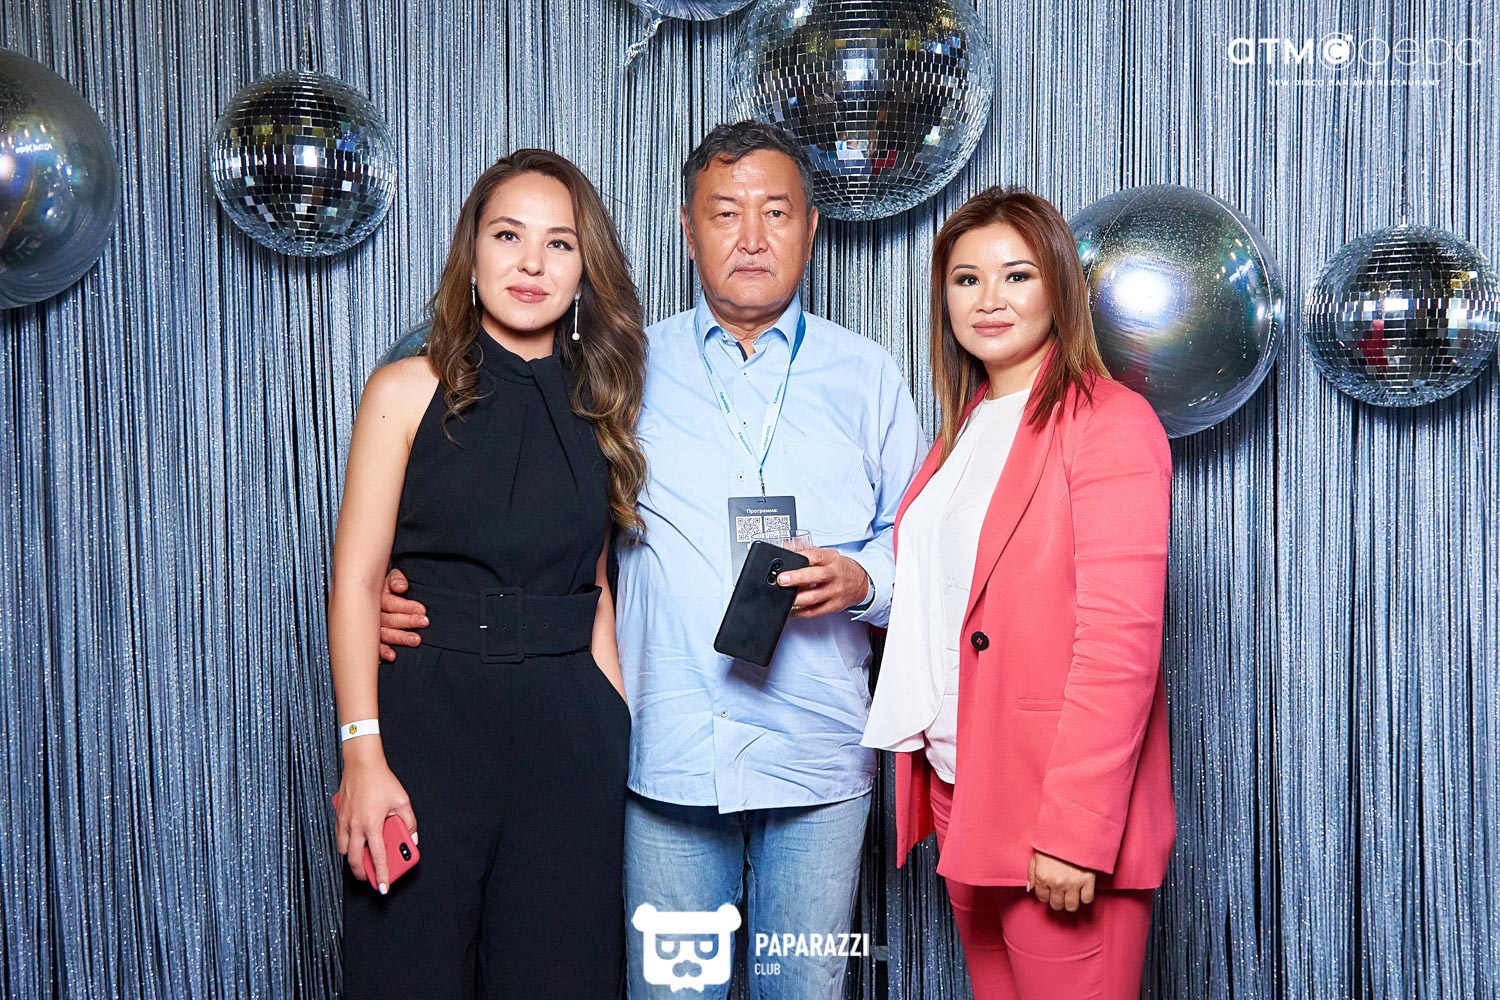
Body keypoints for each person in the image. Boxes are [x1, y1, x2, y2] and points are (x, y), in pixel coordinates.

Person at [378, 121, 926, 998]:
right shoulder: (617, 371)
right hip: (668, 760)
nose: (752, 237)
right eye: (726, 212)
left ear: (812, 227)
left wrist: (865, 581)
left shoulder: (870, 377)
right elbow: (516, 501)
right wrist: (412, 591)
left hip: (817, 762)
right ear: (687, 228)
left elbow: (920, 547)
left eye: (776, 211)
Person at [328, 148, 647, 998]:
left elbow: (595, 587)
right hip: (428, 724)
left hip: (570, 735)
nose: (532, 263)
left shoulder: (601, 404)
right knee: (405, 974)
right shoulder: (403, 390)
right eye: (509, 236)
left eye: (559, 243)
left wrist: (614, 723)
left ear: (585, 270)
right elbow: (356, 583)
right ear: (472, 253)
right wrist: (363, 756)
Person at [861, 186, 1175, 1000]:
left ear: (1059, 286)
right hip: (964, 795)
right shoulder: (962, 429)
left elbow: (1120, 648)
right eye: (966, 280)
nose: (988, 299)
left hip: (1053, 812)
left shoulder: (1109, 422)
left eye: (1016, 275)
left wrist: (1075, 831)